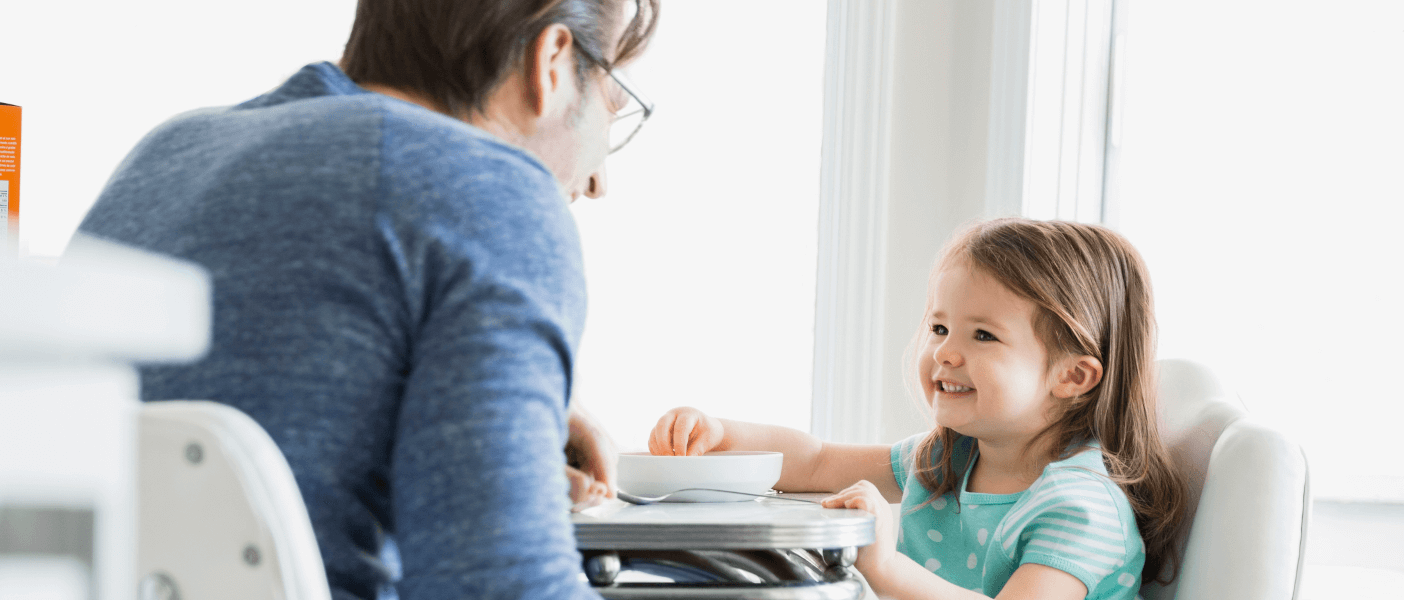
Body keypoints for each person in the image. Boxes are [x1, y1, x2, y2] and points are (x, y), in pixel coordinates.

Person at [71, 1, 660, 598]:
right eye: (614, 103)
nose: (598, 181)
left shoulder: (165, 154)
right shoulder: (492, 191)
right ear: (552, 61)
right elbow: (499, 588)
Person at [649, 218, 1189, 600]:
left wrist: (886, 569)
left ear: (1072, 376)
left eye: (983, 335)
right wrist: (720, 434)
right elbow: (814, 461)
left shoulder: (1081, 508)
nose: (946, 352)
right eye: (939, 327)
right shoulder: (949, 460)